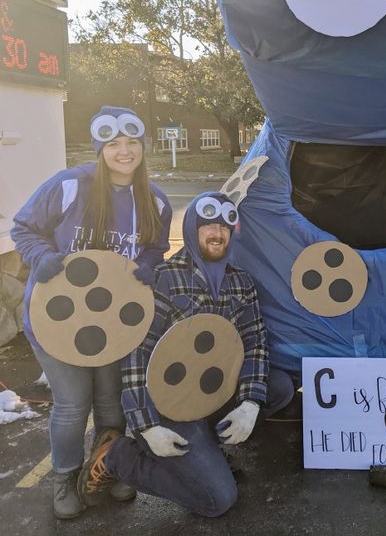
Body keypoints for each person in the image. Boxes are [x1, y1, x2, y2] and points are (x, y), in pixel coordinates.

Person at [76, 191, 295, 517]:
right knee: (217, 500)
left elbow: (255, 342)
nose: (216, 233)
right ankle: (117, 455)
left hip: (212, 395)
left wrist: (250, 402)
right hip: (170, 407)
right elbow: (136, 353)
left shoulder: (241, 283)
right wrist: (147, 425)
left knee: (278, 387)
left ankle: (207, 450)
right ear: (192, 227)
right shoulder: (164, 278)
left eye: (224, 226)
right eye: (207, 225)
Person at [11, 106, 172, 518]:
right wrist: (41, 256)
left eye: (132, 143)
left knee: (111, 403)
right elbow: (24, 227)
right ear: (100, 148)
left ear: (142, 147)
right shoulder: (68, 186)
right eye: (114, 144)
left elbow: (155, 247)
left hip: (114, 320)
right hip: (58, 318)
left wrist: (150, 267)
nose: (124, 151)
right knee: (71, 404)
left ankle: (109, 465)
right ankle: (65, 477)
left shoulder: (153, 199)